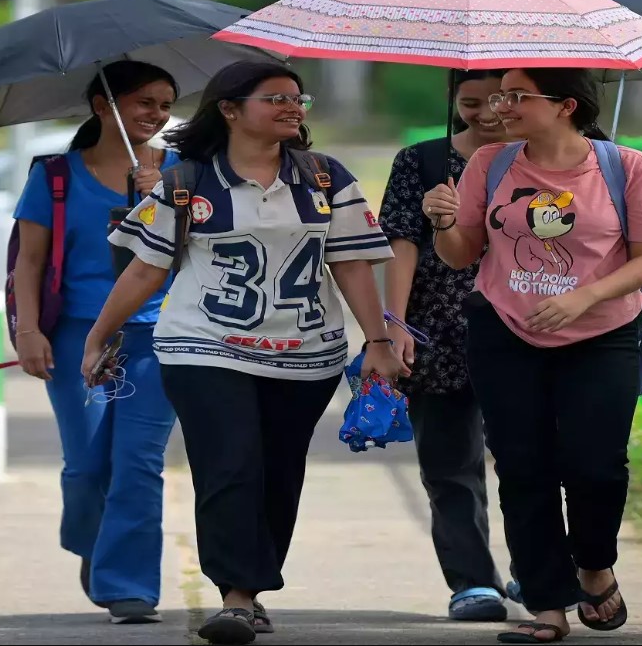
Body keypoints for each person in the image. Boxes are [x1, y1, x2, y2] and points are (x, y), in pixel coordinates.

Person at [82, 60, 408, 645]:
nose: (293, 107)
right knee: (229, 464)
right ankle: (236, 596)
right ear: (230, 110)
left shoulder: (327, 179)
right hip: (203, 347)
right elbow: (143, 270)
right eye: (275, 98)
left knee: (278, 473)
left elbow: (352, 266)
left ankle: (251, 589)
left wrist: (378, 341)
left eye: (297, 98)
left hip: (308, 354)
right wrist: (99, 333)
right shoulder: (186, 182)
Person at [424, 67, 642, 644]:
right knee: (522, 467)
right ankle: (546, 605)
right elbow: (462, 255)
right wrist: (442, 222)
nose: (500, 106)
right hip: (504, 331)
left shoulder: (629, 168)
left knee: (595, 464)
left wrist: (583, 296)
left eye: (516, 96)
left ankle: (593, 566)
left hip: (602, 331)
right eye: (497, 96)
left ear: (565, 105)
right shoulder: (491, 164)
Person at [11, 60, 182, 625]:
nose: (156, 115)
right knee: (86, 464)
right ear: (102, 105)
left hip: (156, 335)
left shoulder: (181, 172)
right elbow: (29, 262)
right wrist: (29, 331)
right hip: (74, 338)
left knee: (137, 461)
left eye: (164, 104)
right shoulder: (55, 177)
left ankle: (129, 584)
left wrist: (161, 198)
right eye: (144, 103)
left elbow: (202, 248)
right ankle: (97, 544)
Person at [378, 69, 515, 622]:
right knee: (449, 463)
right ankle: (472, 582)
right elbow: (400, 242)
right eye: (469, 102)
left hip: (531, 326)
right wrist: (394, 322)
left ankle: (538, 567)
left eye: (497, 101)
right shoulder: (423, 161)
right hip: (439, 325)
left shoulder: (546, 163)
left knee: (531, 460)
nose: (483, 114)